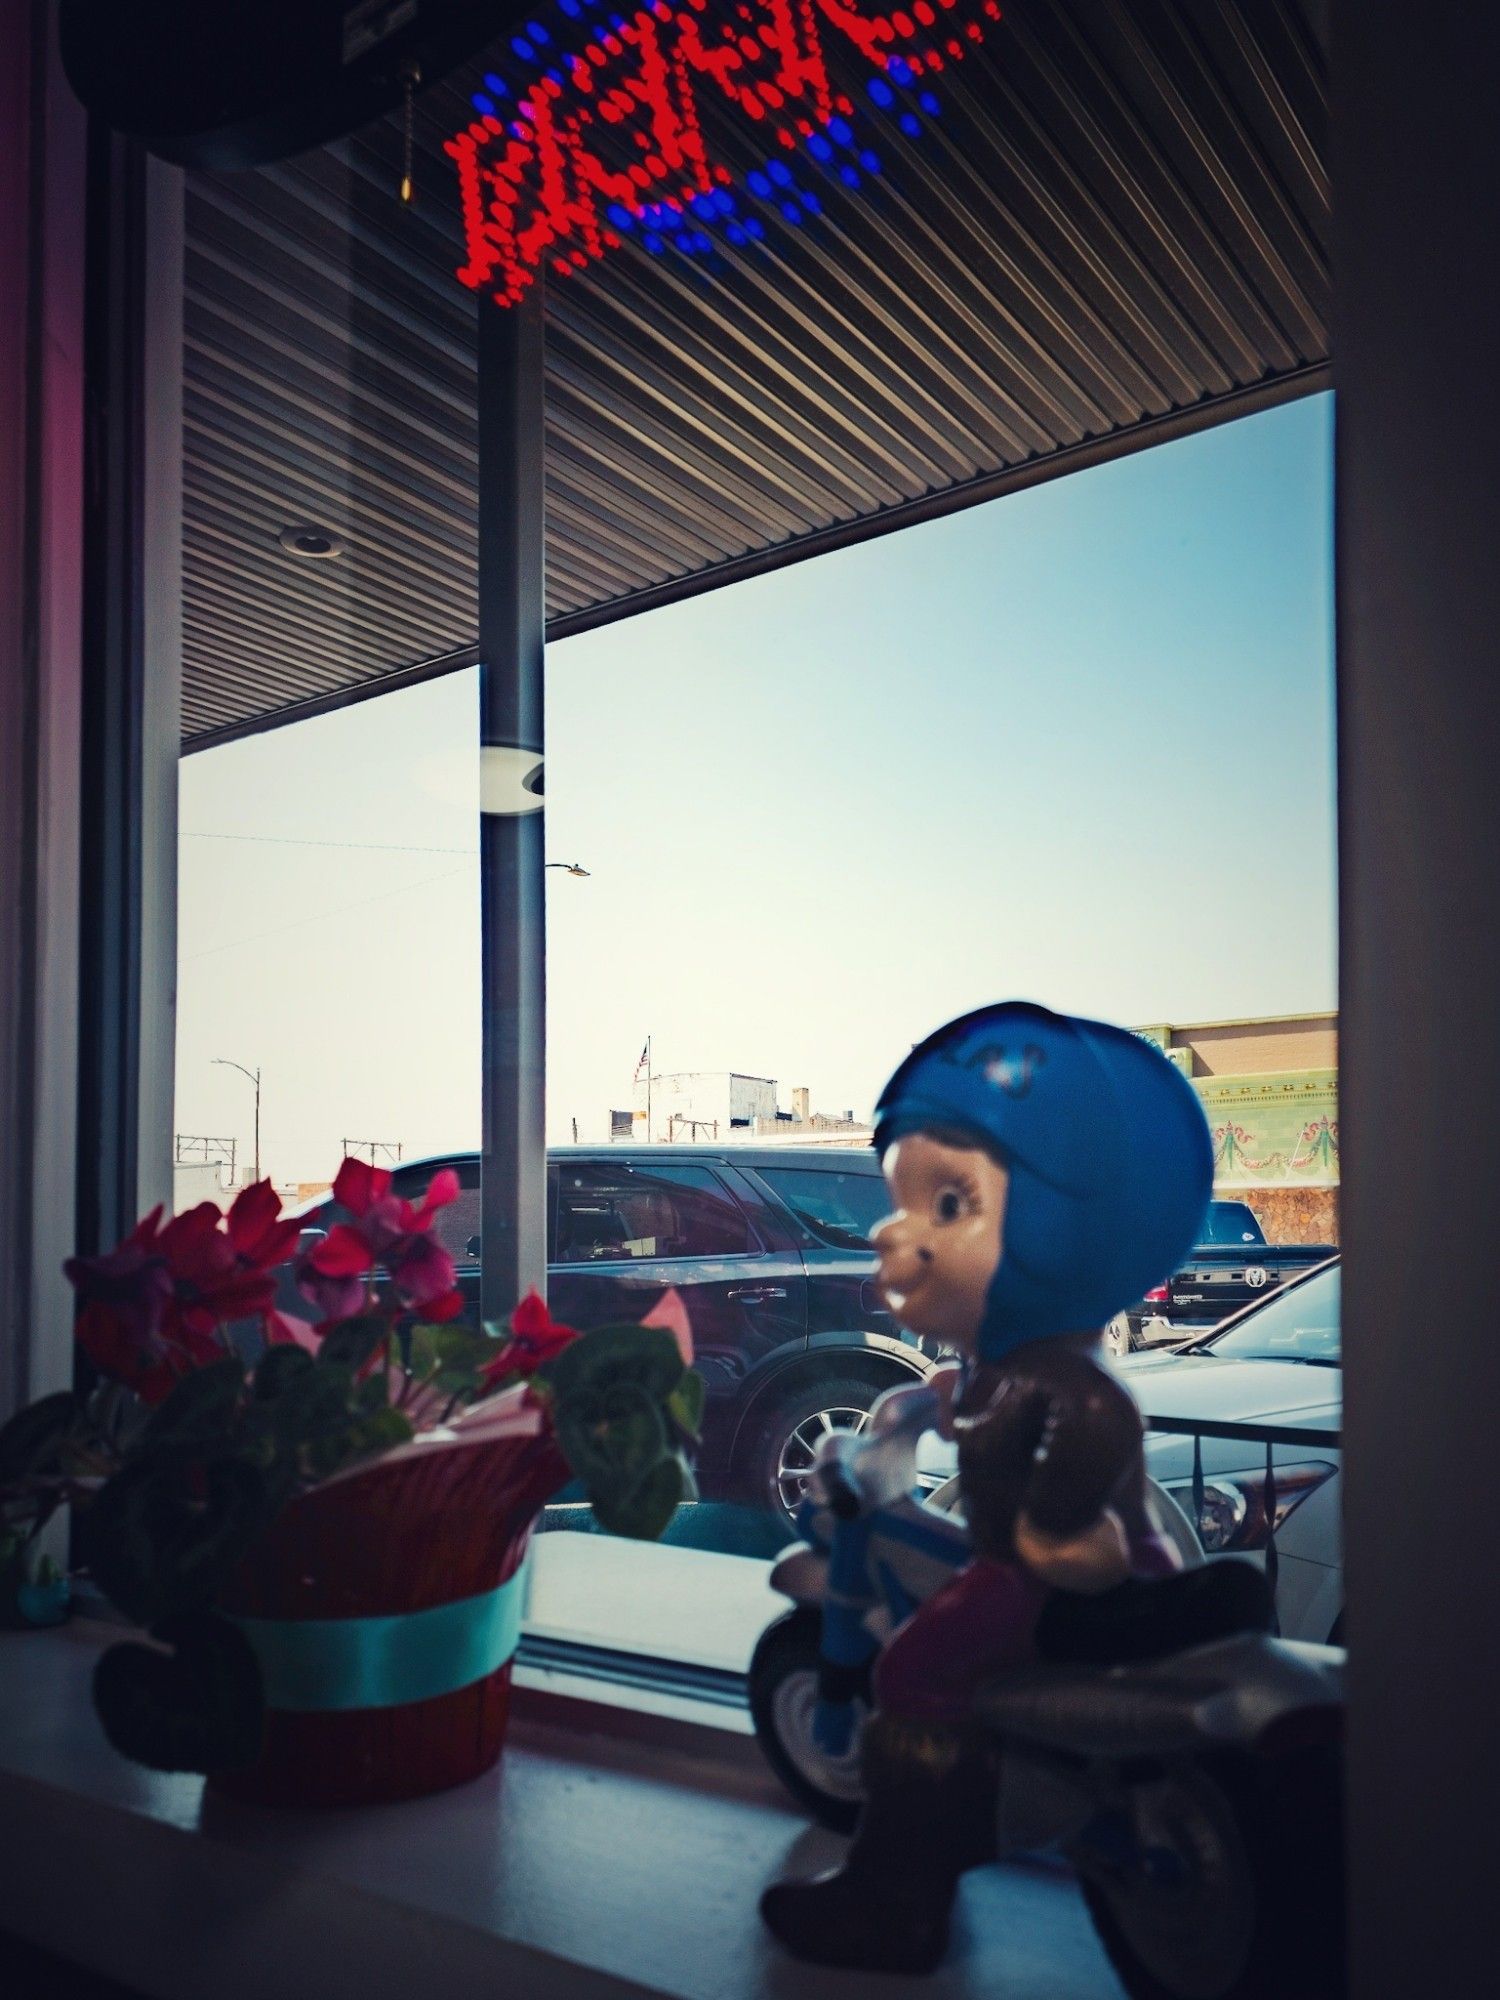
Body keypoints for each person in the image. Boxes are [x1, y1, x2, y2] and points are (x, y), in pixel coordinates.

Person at [760, 1000, 1234, 1973]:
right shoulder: (1012, 1364)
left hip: (1040, 1572)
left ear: (1067, 1226)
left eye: (947, 1203)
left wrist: (1038, 1502)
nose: (895, 1234)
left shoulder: (1065, 1383)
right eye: (903, 1202)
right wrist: (948, 1396)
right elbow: (985, 1406)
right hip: (1061, 1555)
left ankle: (899, 1903)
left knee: (913, 1672)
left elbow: (1070, 1475)